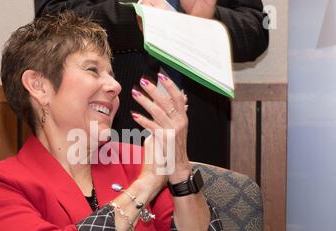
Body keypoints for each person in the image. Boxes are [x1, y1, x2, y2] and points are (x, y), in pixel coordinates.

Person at [0, 11, 231, 231]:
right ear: (39, 86)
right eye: (93, 70)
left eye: (112, 74)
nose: (115, 85)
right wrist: (146, 185)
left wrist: (181, 173)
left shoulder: (140, 161)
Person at [34, 0, 269, 168]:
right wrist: (137, 18)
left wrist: (208, 20)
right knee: (110, 227)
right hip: (108, 123)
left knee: (195, 225)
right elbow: (52, 16)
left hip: (199, 125)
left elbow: (257, 30)